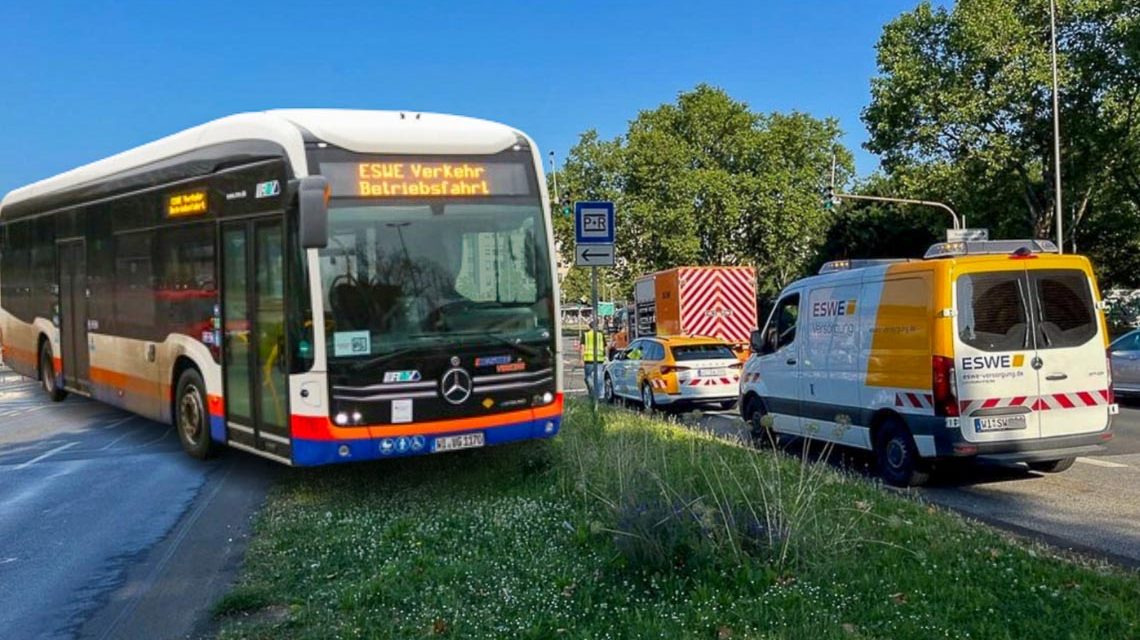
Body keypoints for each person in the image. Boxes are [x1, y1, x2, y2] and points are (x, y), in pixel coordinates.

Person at [581, 320, 606, 398]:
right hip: (599, 359)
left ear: (589, 326)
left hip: (588, 359)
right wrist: (605, 355)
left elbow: (582, 347)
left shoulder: (585, 334)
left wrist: (581, 359)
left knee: (588, 377)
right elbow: (605, 346)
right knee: (599, 377)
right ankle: (601, 395)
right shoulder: (601, 334)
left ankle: (592, 391)